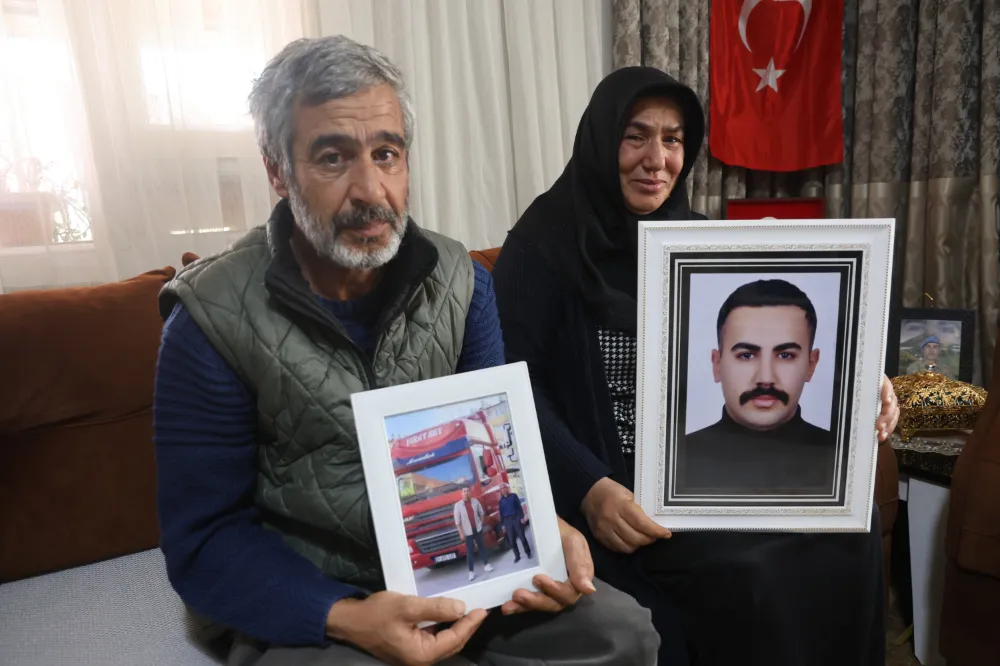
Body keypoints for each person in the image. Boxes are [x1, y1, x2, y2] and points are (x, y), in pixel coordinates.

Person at [153, 37, 659, 666]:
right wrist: (347, 617)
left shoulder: (462, 281)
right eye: (333, 158)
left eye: (386, 154)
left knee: (624, 634)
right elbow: (204, 542)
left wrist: (541, 527)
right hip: (317, 599)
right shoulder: (209, 317)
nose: (370, 189)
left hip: (464, 570)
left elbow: (502, 456)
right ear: (277, 171)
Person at [491, 66, 901, 666]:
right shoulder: (540, 246)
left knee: (851, 538)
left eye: (673, 140)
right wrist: (590, 486)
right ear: (601, 140)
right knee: (753, 571)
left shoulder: (698, 244)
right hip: (615, 496)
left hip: (713, 476)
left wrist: (862, 378)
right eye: (635, 136)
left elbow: (791, 329)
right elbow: (511, 389)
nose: (656, 160)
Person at [680, 278, 835, 495]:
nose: (765, 378)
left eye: (785, 355)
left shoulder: (843, 460)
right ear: (717, 365)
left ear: (811, 364)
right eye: (746, 355)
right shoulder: (674, 461)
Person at [453, 487, 494, 581]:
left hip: (477, 529)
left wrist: (481, 524)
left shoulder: (475, 501)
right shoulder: (458, 505)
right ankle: (471, 572)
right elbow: (457, 522)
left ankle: (487, 565)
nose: (466, 493)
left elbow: (481, 513)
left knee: (482, 547)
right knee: (470, 552)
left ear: (469, 492)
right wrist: (461, 533)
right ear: (461, 493)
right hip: (468, 532)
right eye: (464, 491)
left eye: (467, 491)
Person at [498, 484, 532, 562]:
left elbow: (519, 507)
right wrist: (502, 525)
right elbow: (501, 514)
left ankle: (528, 552)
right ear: (501, 491)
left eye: (504, 488)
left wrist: (521, 517)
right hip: (507, 521)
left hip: (516, 518)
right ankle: (517, 556)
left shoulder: (514, 496)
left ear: (507, 488)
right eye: (502, 489)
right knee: (512, 540)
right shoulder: (500, 501)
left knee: (522, 537)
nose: (503, 490)